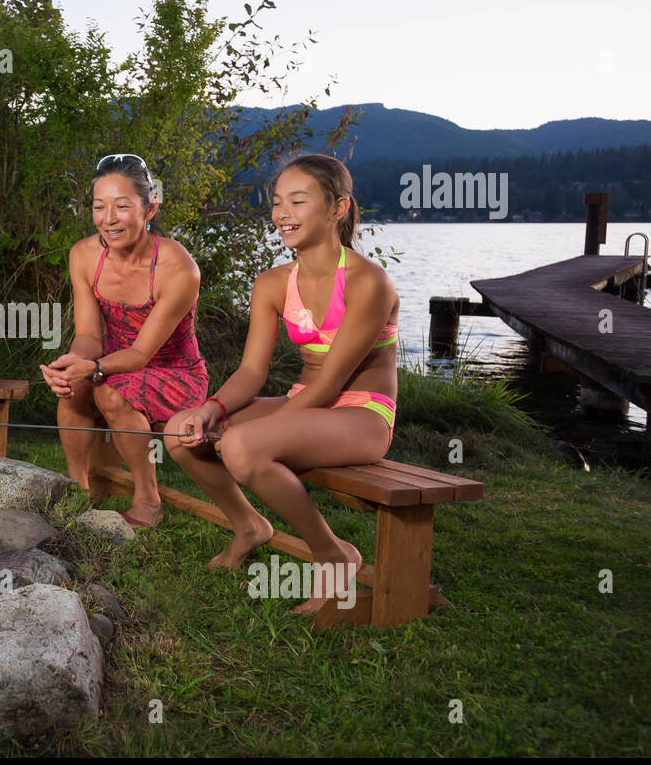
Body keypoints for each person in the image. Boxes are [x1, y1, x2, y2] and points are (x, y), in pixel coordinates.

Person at [165, 153, 399, 615]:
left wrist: (242, 434)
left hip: (361, 414)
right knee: (179, 430)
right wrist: (212, 409)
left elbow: (331, 382)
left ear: (338, 208)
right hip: (306, 404)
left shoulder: (368, 282)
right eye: (276, 203)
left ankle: (333, 554)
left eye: (297, 201)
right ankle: (249, 526)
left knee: (242, 447)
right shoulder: (272, 284)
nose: (282, 214)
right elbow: (253, 373)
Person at [41, 153, 209, 527]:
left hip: (173, 372)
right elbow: (88, 336)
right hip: (114, 367)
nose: (108, 219)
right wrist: (72, 364)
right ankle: (77, 489)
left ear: (150, 209)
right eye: (99, 207)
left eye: (122, 206)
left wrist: (95, 368)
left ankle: (148, 499)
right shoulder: (84, 255)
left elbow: (140, 353)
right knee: (75, 387)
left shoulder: (178, 268)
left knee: (111, 392)